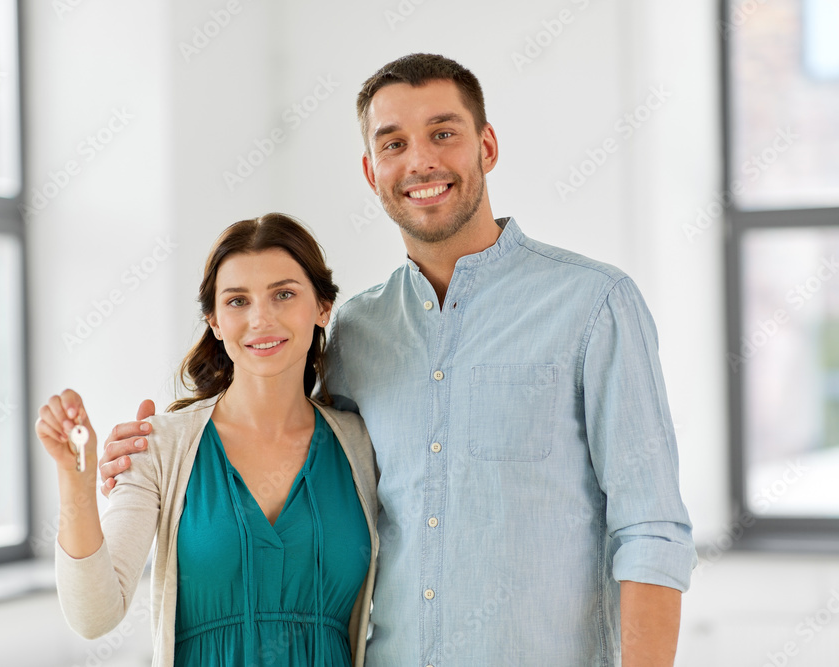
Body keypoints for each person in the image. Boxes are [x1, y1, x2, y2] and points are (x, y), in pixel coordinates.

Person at [99, 54, 696, 666]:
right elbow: (294, 452)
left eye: (444, 134)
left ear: (487, 146)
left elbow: (651, 531)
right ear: (370, 170)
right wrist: (155, 462)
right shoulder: (357, 330)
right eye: (394, 144)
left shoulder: (593, 305)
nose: (421, 161)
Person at [36, 213, 379, 667]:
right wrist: (74, 482)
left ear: (322, 308)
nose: (261, 318)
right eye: (238, 301)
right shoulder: (160, 447)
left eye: (284, 294)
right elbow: (94, 616)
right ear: (214, 321)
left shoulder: (359, 443)